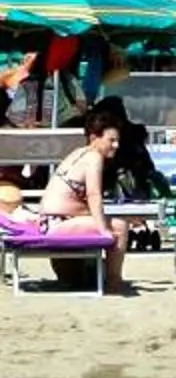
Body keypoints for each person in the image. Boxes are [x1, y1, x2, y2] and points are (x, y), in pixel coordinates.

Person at [36, 106, 132, 293]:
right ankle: (114, 282)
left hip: (50, 221)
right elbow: (93, 195)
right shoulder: (94, 158)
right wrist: (103, 230)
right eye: (111, 140)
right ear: (94, 138)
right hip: (57, 223)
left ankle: (83, 275)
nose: (116, 145)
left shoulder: (78, 153)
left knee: (106, 224)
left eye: (117, 141)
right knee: (120, 227)